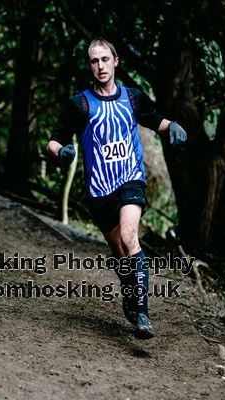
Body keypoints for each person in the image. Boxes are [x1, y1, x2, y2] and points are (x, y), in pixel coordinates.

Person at [46, 38, 187, 339]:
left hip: (130, 179)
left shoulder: (133, 97)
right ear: (90, 66)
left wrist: (173, 126)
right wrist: (62, 152)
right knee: (119, 251)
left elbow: (155, 120)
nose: (100, 66)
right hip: (98, 191)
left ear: (115, 61)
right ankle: (129, 293)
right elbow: (54, 139)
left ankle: (143, 314)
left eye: (105, 59)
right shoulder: (80, 104)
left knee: (129, 236)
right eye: (94, 61)